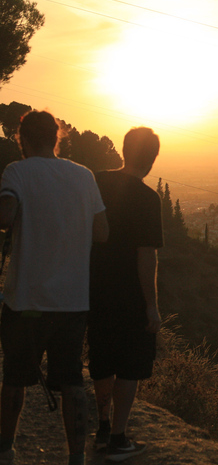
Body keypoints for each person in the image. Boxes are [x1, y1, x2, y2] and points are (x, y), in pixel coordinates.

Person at [0, 110, 109, 465]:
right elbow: (102, 232)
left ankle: (6, 450)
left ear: (23, 140)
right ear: (57, 137)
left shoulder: (17, 172)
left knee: (15, 379)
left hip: (26, 302)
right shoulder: (84, 176)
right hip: (72, 302)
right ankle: (75, 457)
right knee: (72, 381)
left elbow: (5, 217)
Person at [88, 127, 163, 462]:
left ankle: (102, 427)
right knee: (129, 365)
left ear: (123, 150)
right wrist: (152, 306)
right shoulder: (148, 199)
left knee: (102, 358)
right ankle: (118, 437)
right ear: (151, 160)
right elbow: (146, 256)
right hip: (130, 295)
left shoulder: (96, 181)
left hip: (92, 288)